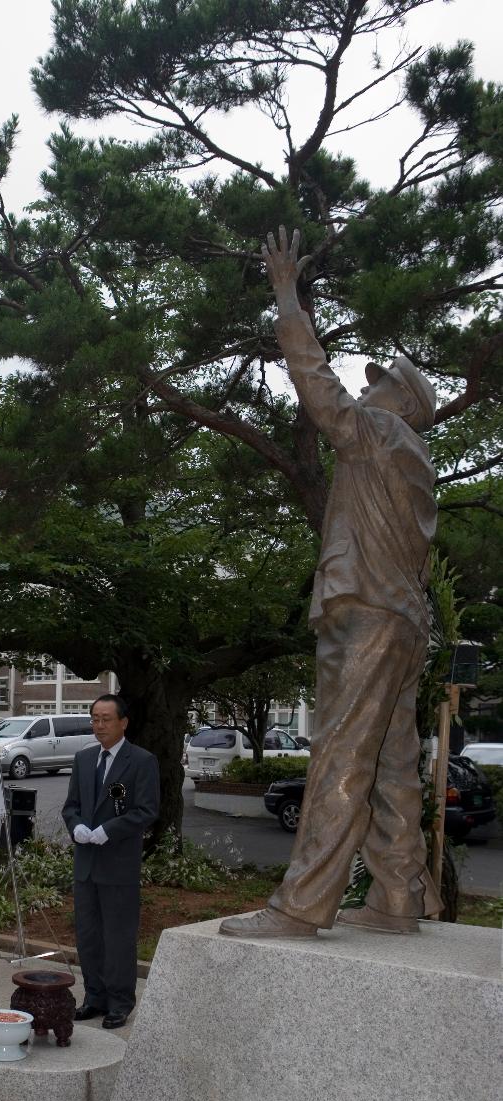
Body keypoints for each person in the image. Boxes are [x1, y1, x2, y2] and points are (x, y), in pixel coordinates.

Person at [221, 226, 442, 940]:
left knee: (342, 753)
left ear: (398, 402)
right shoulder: (415, 462)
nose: (367, 384)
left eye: (379, 381)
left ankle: (301, 905)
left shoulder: (377, 434)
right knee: (391, 765)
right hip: (405, 622)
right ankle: (397, 898)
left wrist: (286, 295)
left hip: (367, 617)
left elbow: (315, 382)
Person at [62, 694, 160, 1028]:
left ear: (123, 722)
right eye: (94, 719)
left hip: (118, 865)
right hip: (87, 864)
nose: (99, 725)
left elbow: (147, 810)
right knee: (88, 936)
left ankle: (120, 1002)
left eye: (105, 719)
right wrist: (76, 827)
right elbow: (70, 806)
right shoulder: (84, 759)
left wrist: (110, 830)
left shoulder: (141, 760)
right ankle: (94, 996)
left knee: (118, 937)